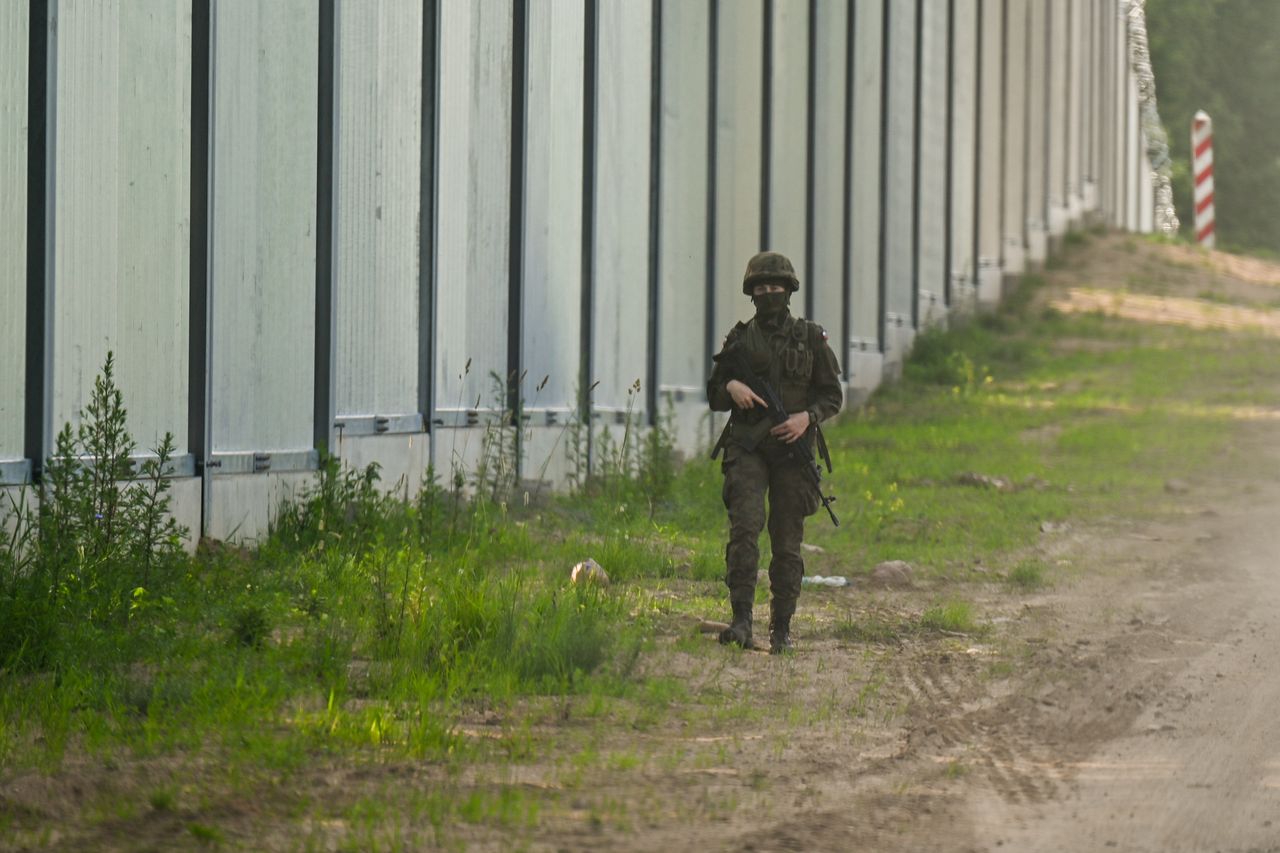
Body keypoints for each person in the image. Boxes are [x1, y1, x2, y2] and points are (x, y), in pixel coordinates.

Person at [706, 251, 843, 654]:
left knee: (786, 542)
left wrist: (807, 418)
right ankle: (741, 620)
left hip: (791, 449)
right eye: (761, 289)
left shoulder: (811, 338)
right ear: (752, 293)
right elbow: (714, 392)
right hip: (747, 447)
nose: (769, 294)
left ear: (789, 291)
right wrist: (731, 388)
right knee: (745, 529)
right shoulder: (738, 341)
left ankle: (781, 628)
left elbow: (832, 395)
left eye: (775, 288)